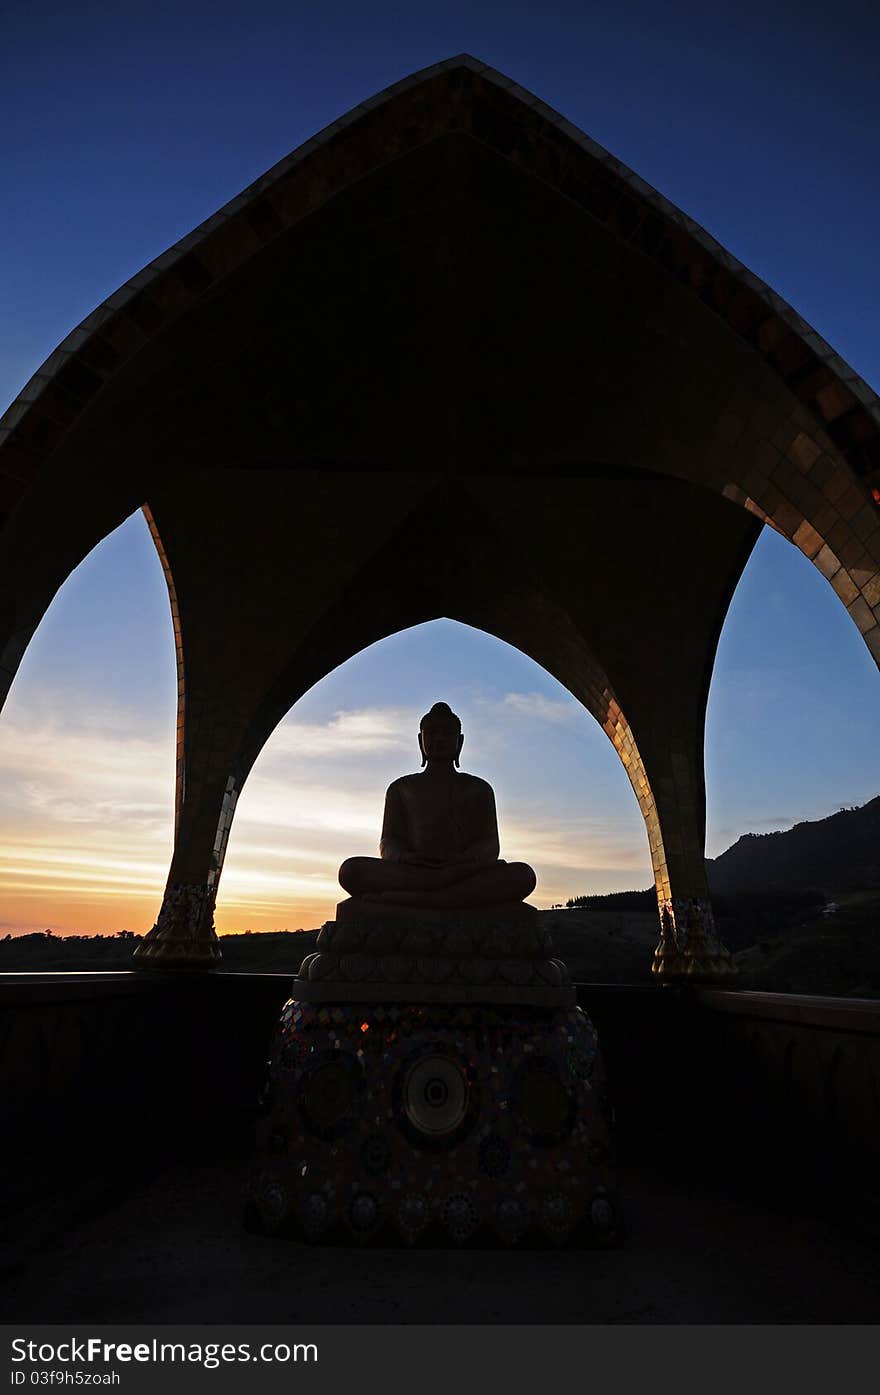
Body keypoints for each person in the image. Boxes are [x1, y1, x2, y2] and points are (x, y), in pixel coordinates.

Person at [338, 702, 536, 910]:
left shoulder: (479, 789)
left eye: (447, 733)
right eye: (432, 733)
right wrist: (406, 857)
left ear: (459, 742)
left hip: (462, 871)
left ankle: (419, 899)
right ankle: (448, 897)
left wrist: (463, 860)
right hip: (415, 872)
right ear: (420, 740)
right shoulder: (401, 788)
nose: (439, 738)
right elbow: (389, 840)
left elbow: (490, 844)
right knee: (350, 871)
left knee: (524, 875)